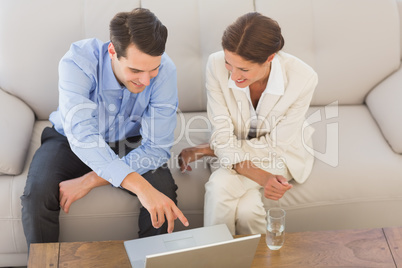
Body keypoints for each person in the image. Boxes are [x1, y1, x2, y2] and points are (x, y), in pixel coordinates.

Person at [21, 8, 189, 249]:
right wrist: (139, 185)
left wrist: (90, 180)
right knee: (36, 194)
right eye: (135, 71)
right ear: (112, 51)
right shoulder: (78, 61)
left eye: (153, 69)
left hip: (129, 142)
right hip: (69, 140)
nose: (146, 81)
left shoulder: (166, 70)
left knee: (162, 191)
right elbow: (83, 135)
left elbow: (156, 148)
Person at [179, 12, 318, 235]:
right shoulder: (215, 65)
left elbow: (276, 145)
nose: (233, 76)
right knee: (247, 211)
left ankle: (211, 259)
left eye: (244, 69)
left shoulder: (303, 78)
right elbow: (222, 131)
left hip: (280, 153)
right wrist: (262, 177)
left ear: (270, 58)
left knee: (220, 185)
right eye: (229, 64)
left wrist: (211, 149)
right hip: (234, 148)